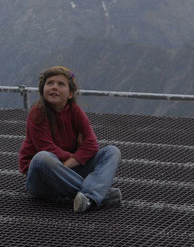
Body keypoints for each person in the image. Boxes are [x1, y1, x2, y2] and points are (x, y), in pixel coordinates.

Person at [18, 66, 122, 213]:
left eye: (61, 84)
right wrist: (73, 159)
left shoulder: (76, 111)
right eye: (50, 83)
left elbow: (92, 144)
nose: (54, 87)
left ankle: (87, 197)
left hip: (68, 172)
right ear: (43, 90)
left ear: (70, 93)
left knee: (112, 151)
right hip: (41, 178)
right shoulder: (37, 113)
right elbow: (47, 148)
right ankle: (98, 194)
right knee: (43, 157)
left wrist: (66, 165)